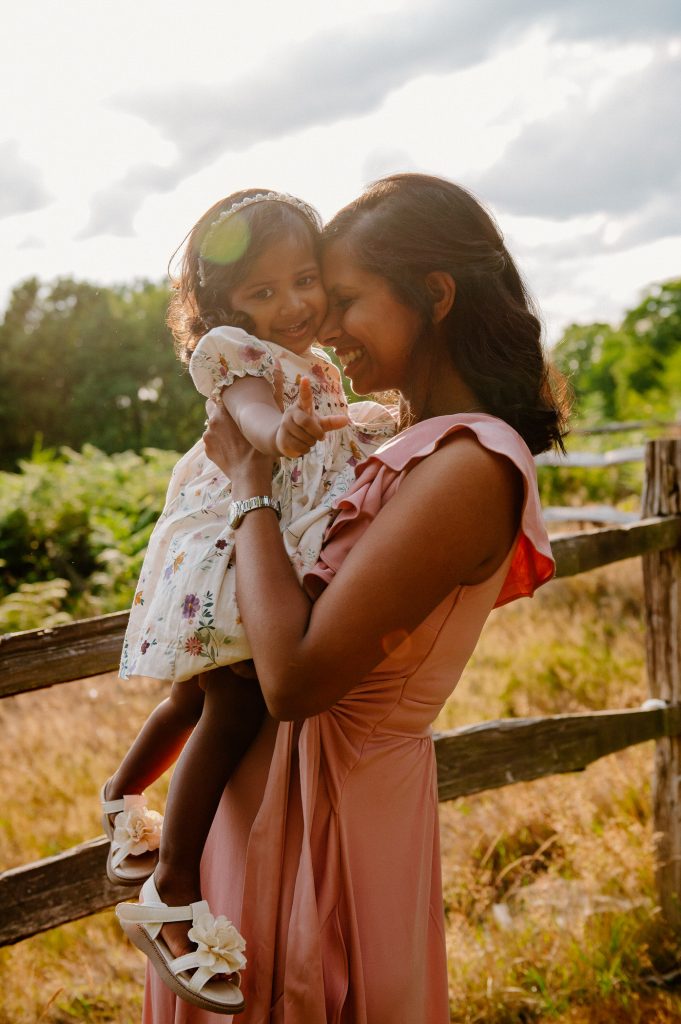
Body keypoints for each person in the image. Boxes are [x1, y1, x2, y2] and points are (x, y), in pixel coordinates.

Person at [142, 172, 569, 1024]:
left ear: (434, 295)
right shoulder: (392, 440)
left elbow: (294, 680)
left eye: (342, 298)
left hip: (334, 815)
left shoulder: (467, 465)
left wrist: (249, 482)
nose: (323, 326)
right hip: (265, 794)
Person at [105, 189, 397, 1016]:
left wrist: (364, 422)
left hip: (261, 530)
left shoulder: (314, 362)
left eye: (303, 280)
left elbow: (332, 424)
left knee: (197, 695)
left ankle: (120, 798)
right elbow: (254, 418)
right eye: (263, 292)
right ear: (228, 306)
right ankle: (173, 883)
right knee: (230, 702)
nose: (293, 305)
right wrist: (279, 439)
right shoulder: (240, 358)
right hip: (237, 537)